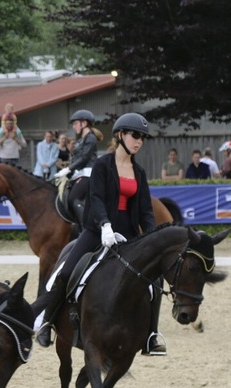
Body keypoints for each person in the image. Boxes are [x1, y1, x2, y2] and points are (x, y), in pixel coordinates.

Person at [37, 112, 166, 356]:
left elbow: (146, 212)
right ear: (120, 135)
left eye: (143, 138)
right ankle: (47, 322)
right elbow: (95, 199)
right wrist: (105, 225)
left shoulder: (139, 172)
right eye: (135, 135)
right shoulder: (102, 165)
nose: (139, 141)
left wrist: (151, 236)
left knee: (156, 279)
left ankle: (151, 335)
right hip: (97, 231)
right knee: (65, 272)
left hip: (128, 234)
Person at [54, 109, 102, 216]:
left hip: (88, 174)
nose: (74, 127)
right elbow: (76, 159)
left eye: (75, 123)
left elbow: (84, 158)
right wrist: (66, 174)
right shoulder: (81, 140)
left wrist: (68, 169)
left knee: (74, 199)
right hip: (79, 174)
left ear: (84, 123)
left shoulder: (91, 138)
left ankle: (85, 228)